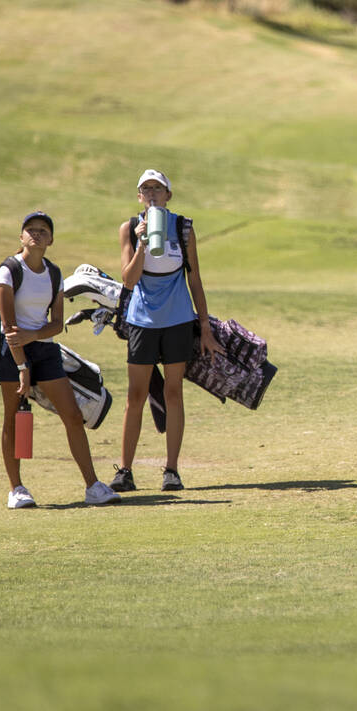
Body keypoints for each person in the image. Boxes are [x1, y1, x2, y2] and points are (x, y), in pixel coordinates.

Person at [0, 211, 121, 508]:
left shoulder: (54, 273)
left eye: (42, 230)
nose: (36, 234)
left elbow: (57, 324)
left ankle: (93, 487)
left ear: (50, 239)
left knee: (73, 416)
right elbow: (9, 328)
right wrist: (23, 366)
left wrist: (33, 337)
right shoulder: (8, 270)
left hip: (47, 350)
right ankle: (17, 489)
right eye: (30, 230)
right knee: (13, 419)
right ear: (21, 237)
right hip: (12, 354)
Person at [109, 170, 224, 493]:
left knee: (173, 392)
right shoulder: (130, 229)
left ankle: (171, 470)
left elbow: (195, 278)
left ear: (168, 195)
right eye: (145, 190)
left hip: (176, 320)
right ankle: (125, 471)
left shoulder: (183, 227)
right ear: (139, 197)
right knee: (136, 395)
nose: (152, 194)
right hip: (142, 321)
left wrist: (204, 327)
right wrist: (143, 242)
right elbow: (128, 280)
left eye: (157, 189)